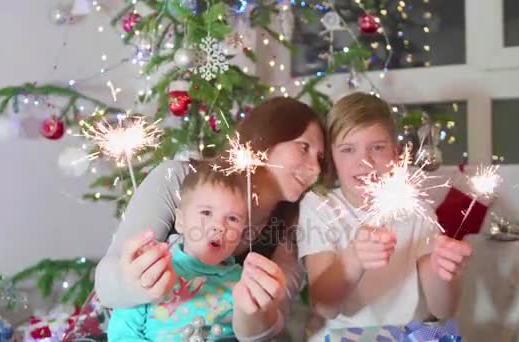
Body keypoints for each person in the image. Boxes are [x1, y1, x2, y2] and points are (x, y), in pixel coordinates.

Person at [95, 97, 325, 341]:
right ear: (266, 136)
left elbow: (272, 326)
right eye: (303, 147)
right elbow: (107, 286)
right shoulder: (178, 178)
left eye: (321, 158)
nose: (316, 169)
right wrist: (131, 282)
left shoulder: (292, 229)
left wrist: (253, 317)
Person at [297, 92, 473, 341]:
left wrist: (443, 270)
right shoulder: (319, 206)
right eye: (348, 149)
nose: (365, 161)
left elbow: (443, 309)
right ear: (332, 158)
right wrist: (354, 259)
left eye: (377, 148)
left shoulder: (416, 208)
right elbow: (324, 306)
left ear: (396, 154)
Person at [108, 160, 248, 341]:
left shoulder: (244, 282)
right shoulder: (153, 268)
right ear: (180, 221)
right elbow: (122, 333)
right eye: (206, 213)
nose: (219, 226)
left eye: (233, 218)